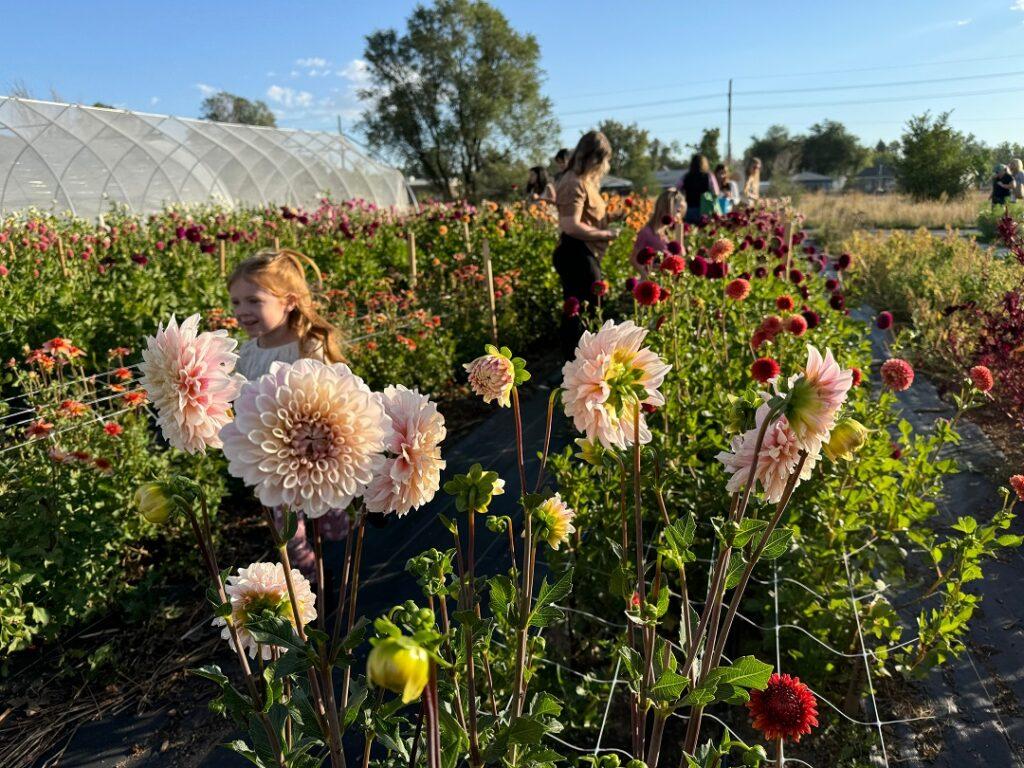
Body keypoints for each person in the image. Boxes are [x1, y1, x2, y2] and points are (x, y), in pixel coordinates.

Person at [229, 248, 348, 580]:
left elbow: (333, 403)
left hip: (315, 457)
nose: (242, 311)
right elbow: (239, 404)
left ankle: (339, 571)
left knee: (329, 519)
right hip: (272, 462)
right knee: (288, 533)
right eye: (236, 302)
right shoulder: (247, 353)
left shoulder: (308, 347)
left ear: (290, 301)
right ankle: (310, 586)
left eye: (254, 301)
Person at [554, 130, 619, 357]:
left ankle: (583, 361)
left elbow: (585, 217)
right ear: (593, 158)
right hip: (575, 253)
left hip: (583, 251)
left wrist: (610, 218)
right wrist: (604, 234)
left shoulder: (585, 181)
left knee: (588, 308)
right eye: (605, 159)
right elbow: (570, 225)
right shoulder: (573, 182)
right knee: (580, 312)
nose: (606, 165)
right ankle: (574, 365)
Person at [630, 188, 683, 275]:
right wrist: (647, 275)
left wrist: (679, 233)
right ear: (668, 207)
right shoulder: (647, 232)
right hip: (654, 283)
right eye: (677, 211)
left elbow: (680, 258)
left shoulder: (668, 233)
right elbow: (633, 259)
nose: (679, 215)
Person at [678, 153, 720, 225]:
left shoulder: (686, 177)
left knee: (689, 231)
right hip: (705, 209)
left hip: (689, 209)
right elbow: (715, 192)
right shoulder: (709, 176)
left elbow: (677, 190)